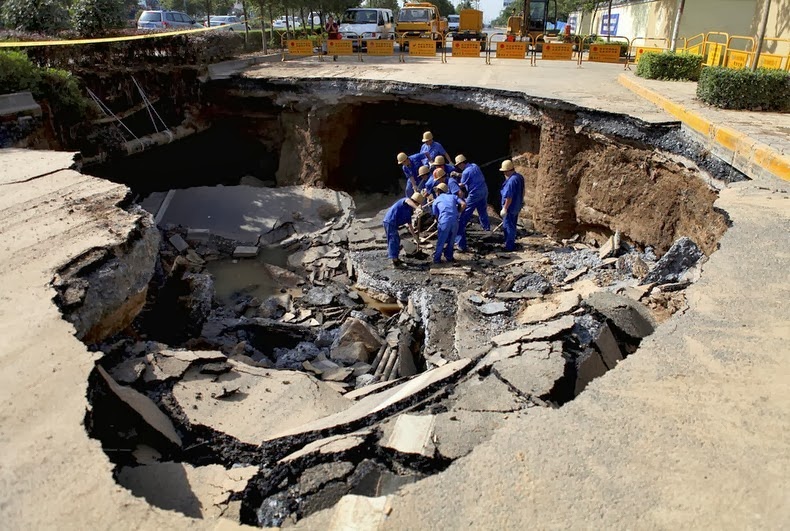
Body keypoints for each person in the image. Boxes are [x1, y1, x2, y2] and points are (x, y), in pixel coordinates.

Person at [453, 154, 490, 251]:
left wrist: (452, 184)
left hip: (475, 194)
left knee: (465, 211)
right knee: (482, 210)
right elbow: (469, 175)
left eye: (458, 165)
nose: (458, 167)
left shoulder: (465, 172)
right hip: (484, 190)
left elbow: (462, 184)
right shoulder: (474, 166)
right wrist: (458, 174)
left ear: (461, 163)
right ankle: (487, 229)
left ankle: (461, 228)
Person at [383, 192, 424, 266]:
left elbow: (410, 226)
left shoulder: (408, 212)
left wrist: (415, 237)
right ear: (416, 202)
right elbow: (408, 200)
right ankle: (395, 261)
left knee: (396, 240)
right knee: (393, 240)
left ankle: (396, 258)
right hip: (390, 221)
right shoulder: (405, 201)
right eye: (417, 204)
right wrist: (417, 208)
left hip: (393, 224)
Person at [431, 182, 465, 264]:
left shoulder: (436, 200)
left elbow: (435, 215)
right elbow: (463, 204)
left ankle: (437, 259)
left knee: (441, 241)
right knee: (451, 241)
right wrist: (459, 212)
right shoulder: (453, 196)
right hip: (455, 221)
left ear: (438, 191)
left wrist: (438, 221)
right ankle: (449, 257)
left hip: (444, 221)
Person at [499, 159, 525, 251]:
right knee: (512, 225)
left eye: (504, 171)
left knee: (508, 226)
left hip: (510, 207)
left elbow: (509, 197)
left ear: (508, 170)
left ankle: (509, 246)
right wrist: (521, 201)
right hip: (516, 206)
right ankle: (510, 243)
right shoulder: (519, 177)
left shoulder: (511, 181)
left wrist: (505, 208)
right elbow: (522, 190)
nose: (504, 173)